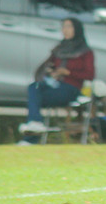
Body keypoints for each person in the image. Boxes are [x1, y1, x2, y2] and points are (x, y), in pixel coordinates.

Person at [17, 17, 95, 145]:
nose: (65, 30)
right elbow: (48, 66)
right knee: (34, 88)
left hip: (70, 89)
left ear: (77, 29)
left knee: (35, 99)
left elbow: (90, 74)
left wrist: (68, 73)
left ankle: (31, 137)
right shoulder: (59, 49)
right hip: (54, 85)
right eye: (64, 27)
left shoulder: (85, 51)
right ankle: (34, 126)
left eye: (69, 27)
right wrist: (52, 72)